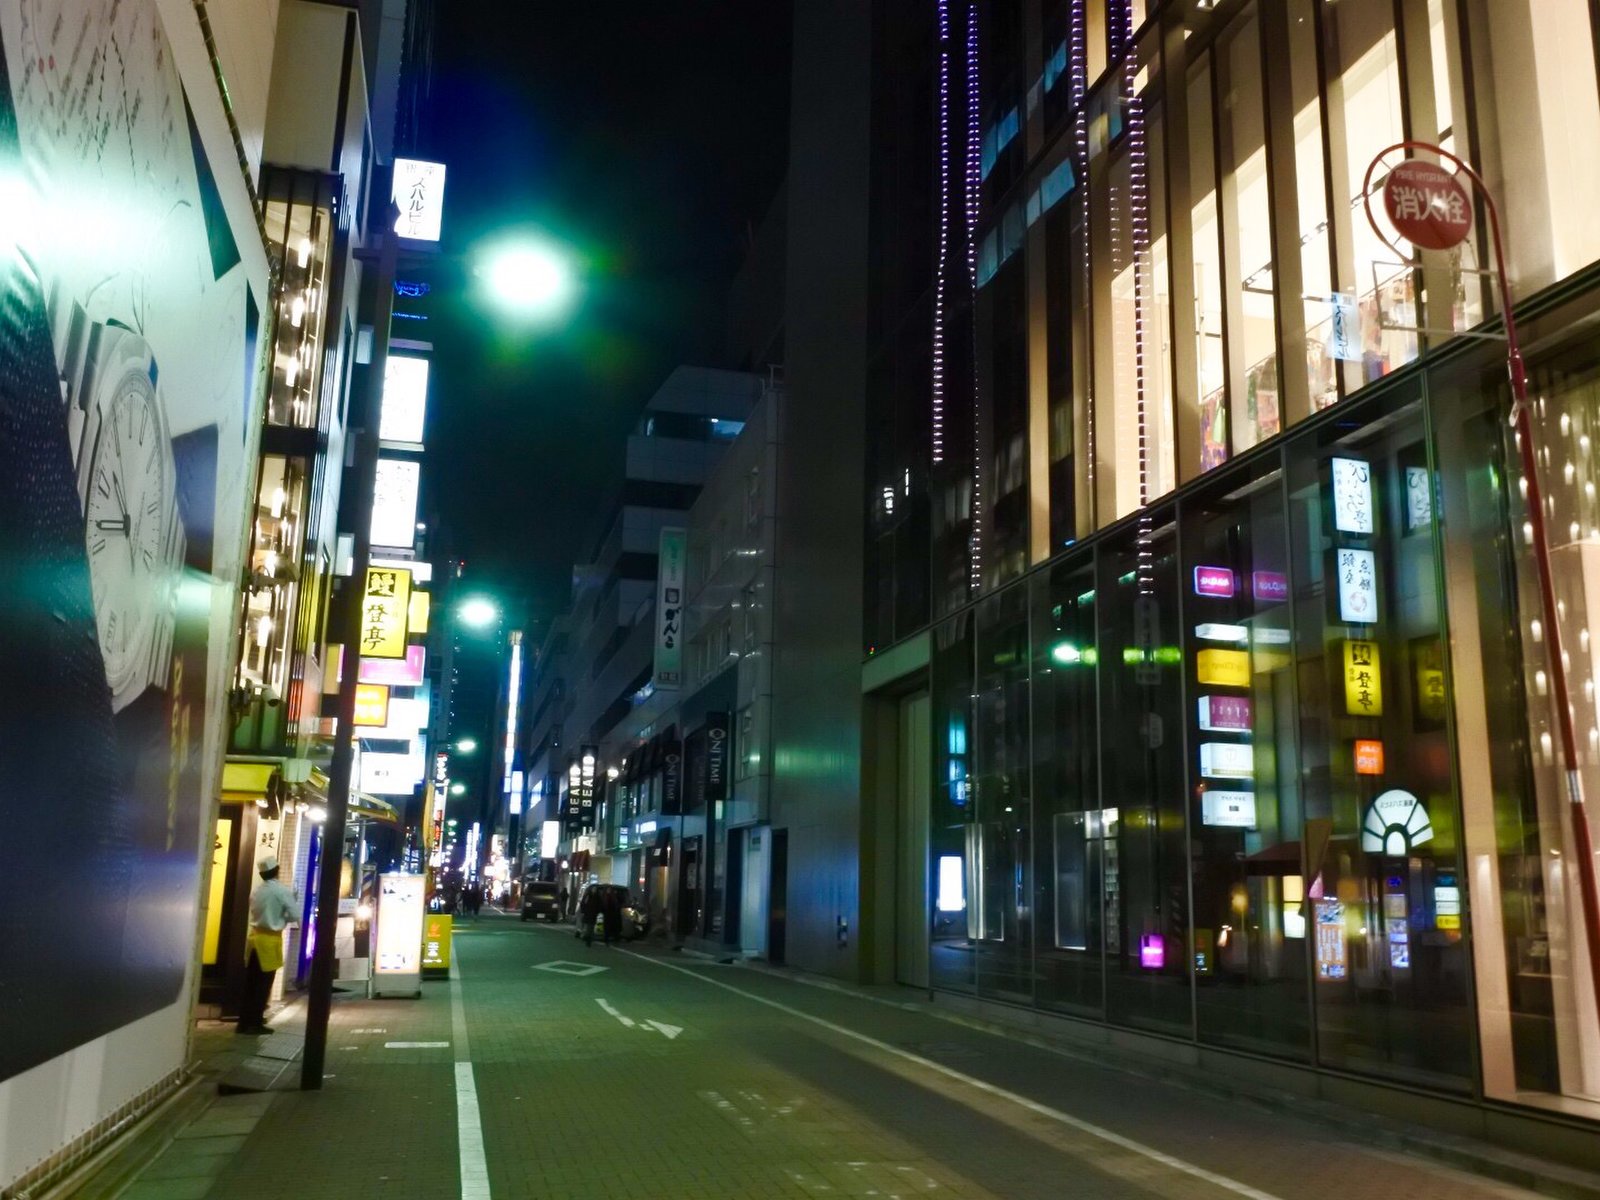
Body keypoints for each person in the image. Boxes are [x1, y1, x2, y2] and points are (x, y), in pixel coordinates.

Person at [238, 856, 296, 1035]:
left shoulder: (256, 891)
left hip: (254, 938)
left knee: (251, 983)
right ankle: (255, 1022)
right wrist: (282, 918)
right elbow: (294, 914)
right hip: (270, 940)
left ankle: (244, 1022)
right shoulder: (282, 891)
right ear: (277, 871)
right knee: (264, 983)